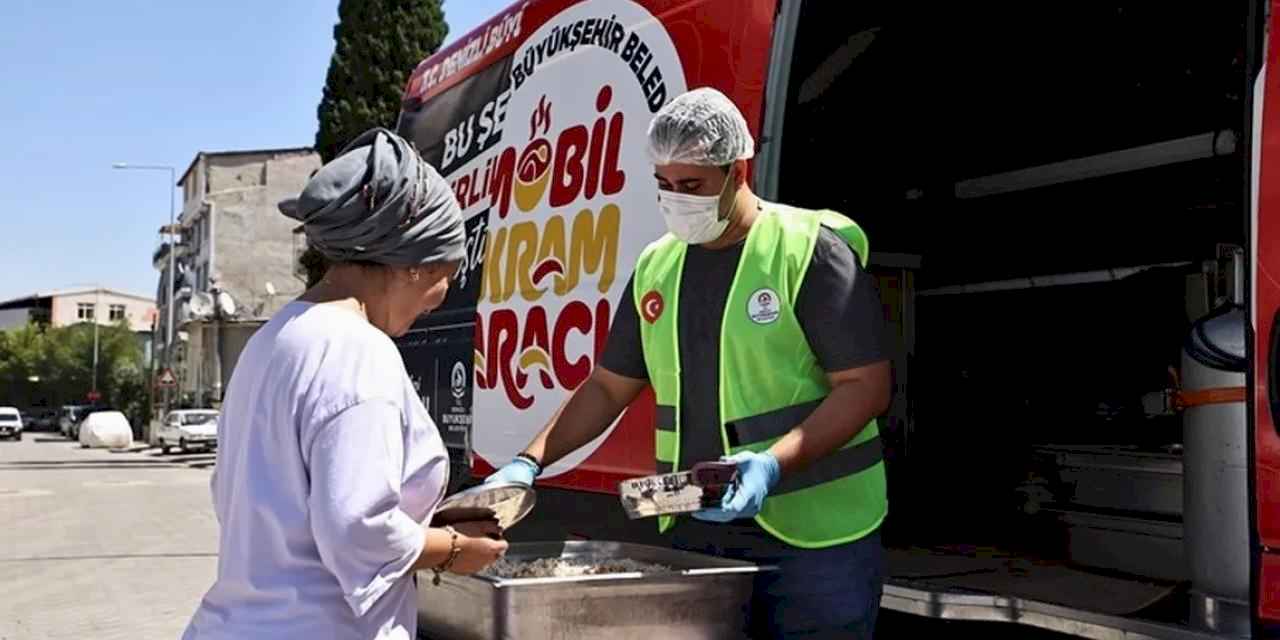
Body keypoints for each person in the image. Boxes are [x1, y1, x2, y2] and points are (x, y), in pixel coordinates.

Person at [487, 87, 893, 639]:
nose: (678, 199)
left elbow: (865, 387)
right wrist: (529, 462)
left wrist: (771, 464)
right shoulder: (659, 266)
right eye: (665, 186)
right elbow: (608, 387)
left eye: (693, 185)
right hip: (699, 530)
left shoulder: (809, 249)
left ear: (738, 170)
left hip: (817, 540)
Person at [182, 128, 508, 640]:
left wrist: (426, 520)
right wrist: (455, 549)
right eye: (448, 272)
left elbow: (283, 501)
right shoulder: (359, 353)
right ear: (414, 263)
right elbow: (358, 527)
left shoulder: (274, 339)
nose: (442, 296)